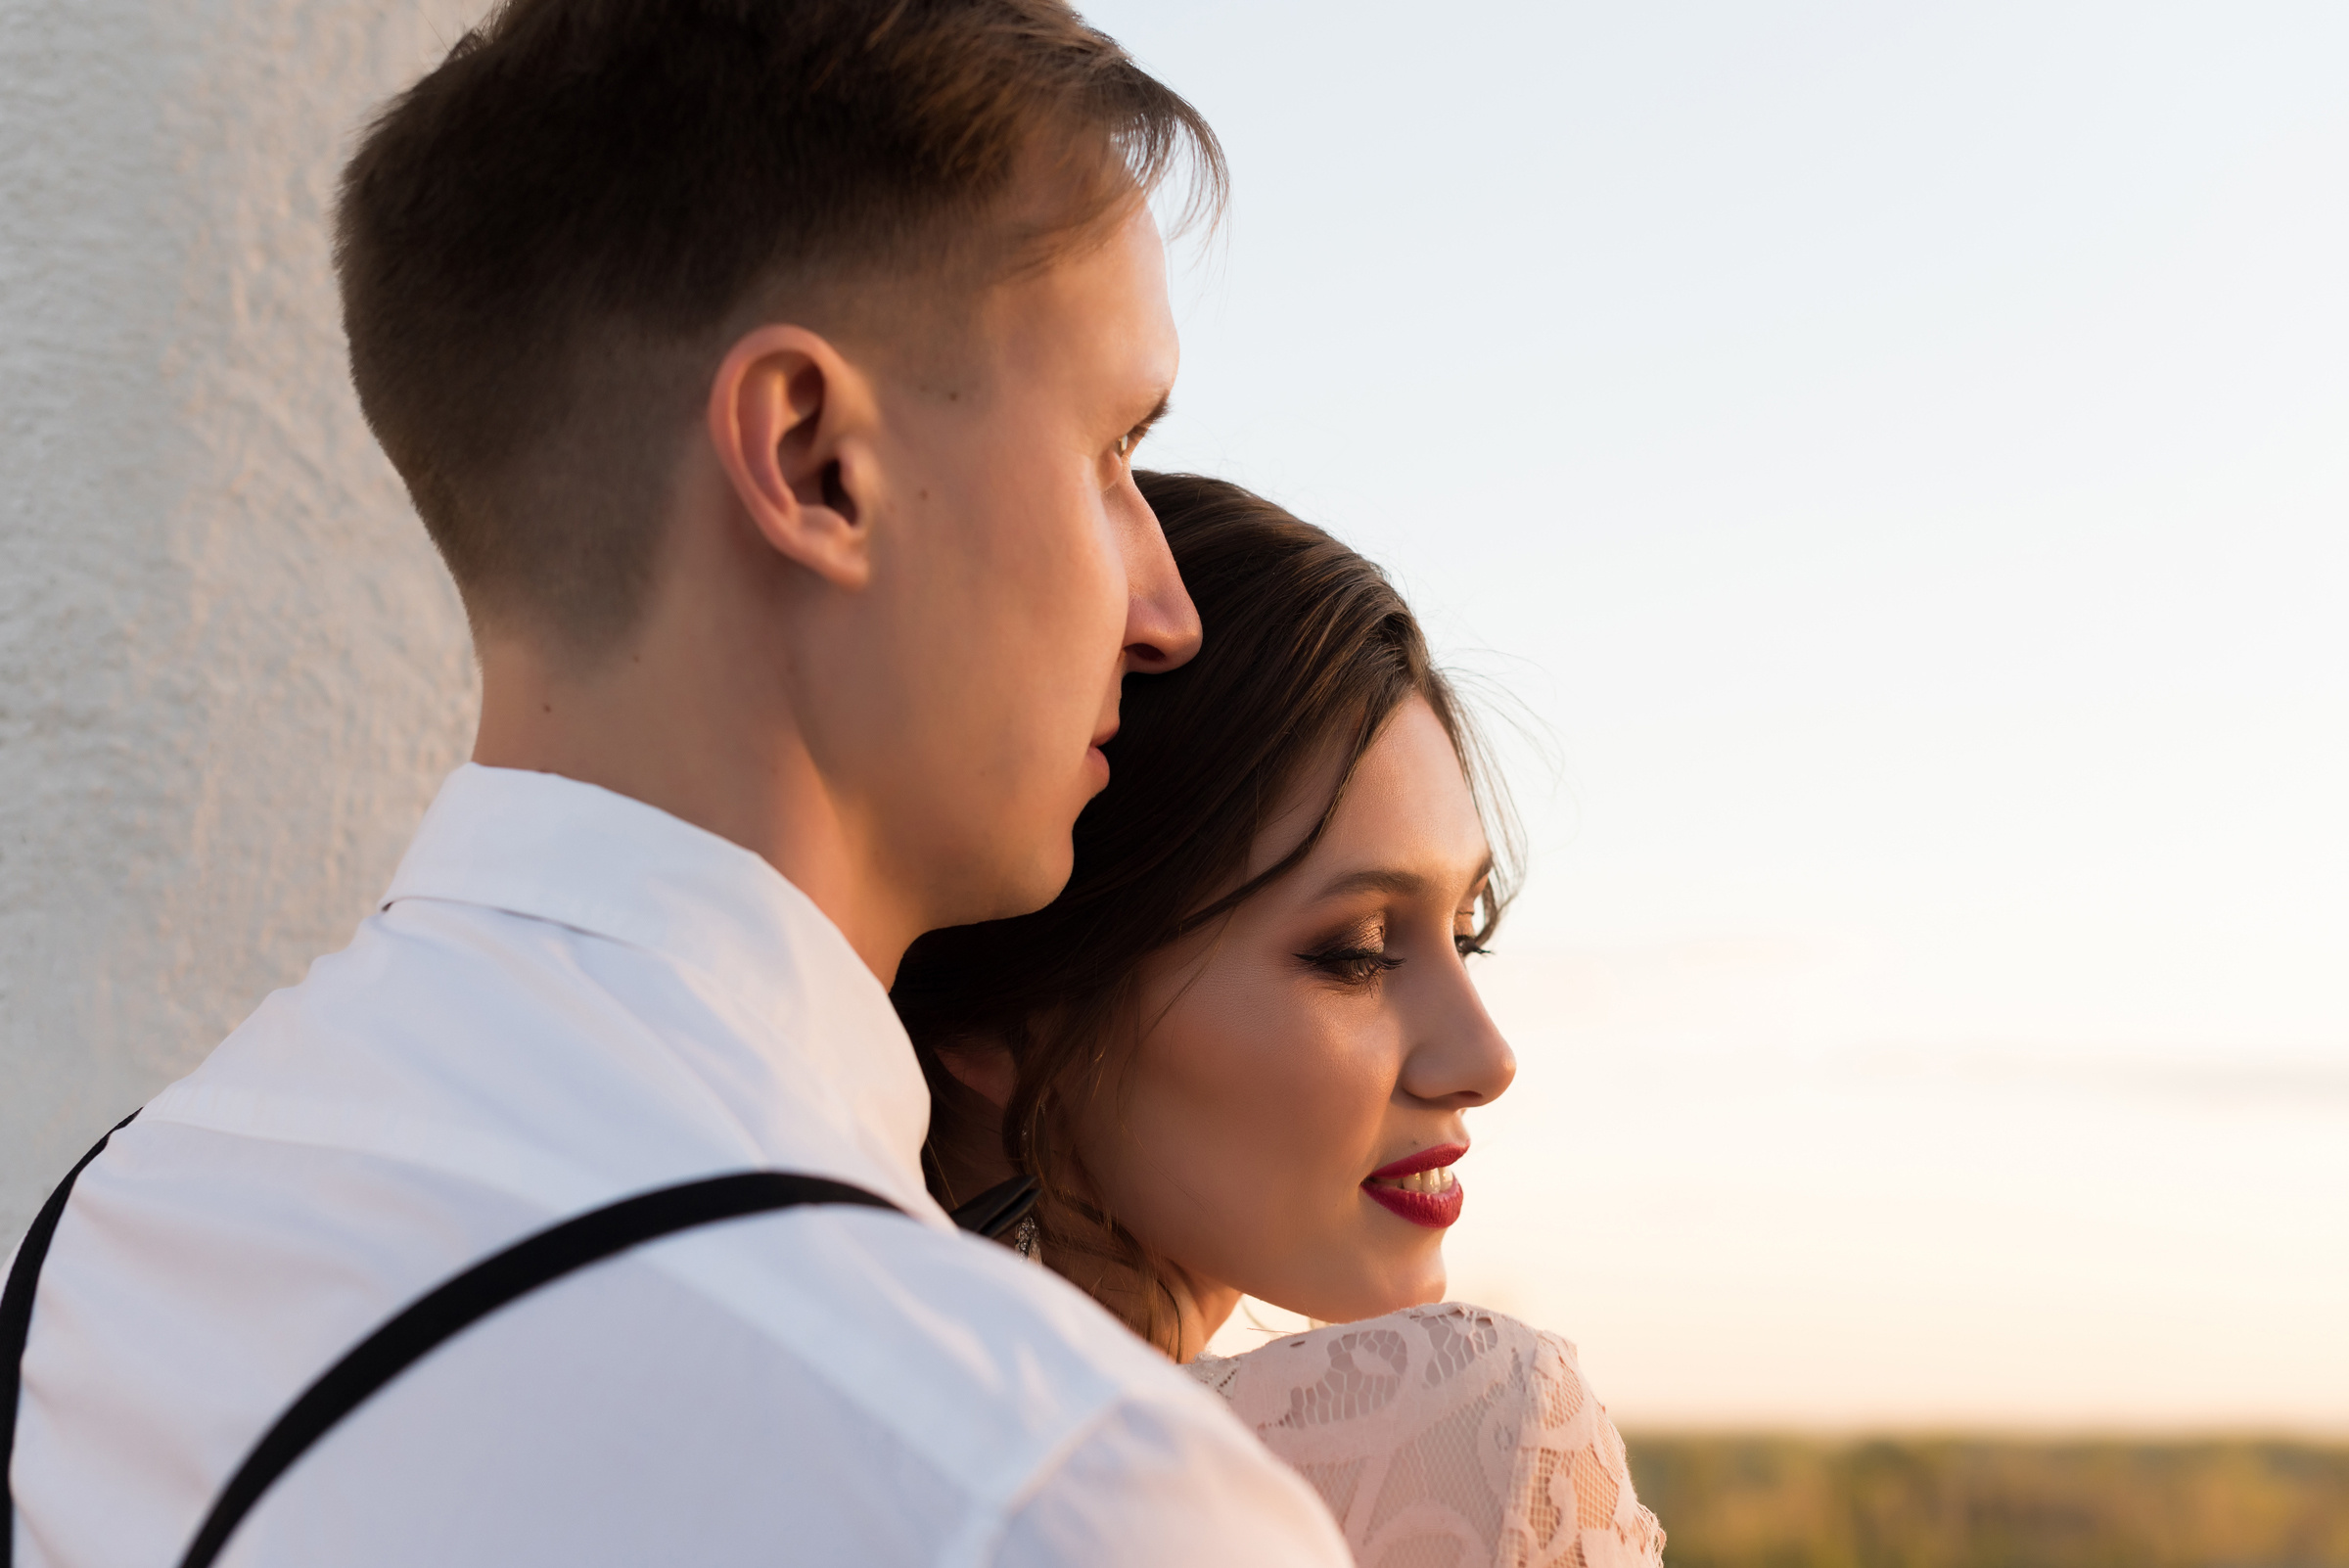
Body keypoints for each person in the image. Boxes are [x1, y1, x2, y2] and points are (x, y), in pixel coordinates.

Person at [4, 6, 1355, 1566]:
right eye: (1111, 451)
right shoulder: (1046, 1481)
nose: (1167, 607)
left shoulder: (113, 1235)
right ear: (809, 460)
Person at [896, 473, 1670, 1568]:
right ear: (1010, 1017)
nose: (1485, 1060)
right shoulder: (1474, 1445)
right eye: (1355, 954)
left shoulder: (779, 1448)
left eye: (1468, 932)